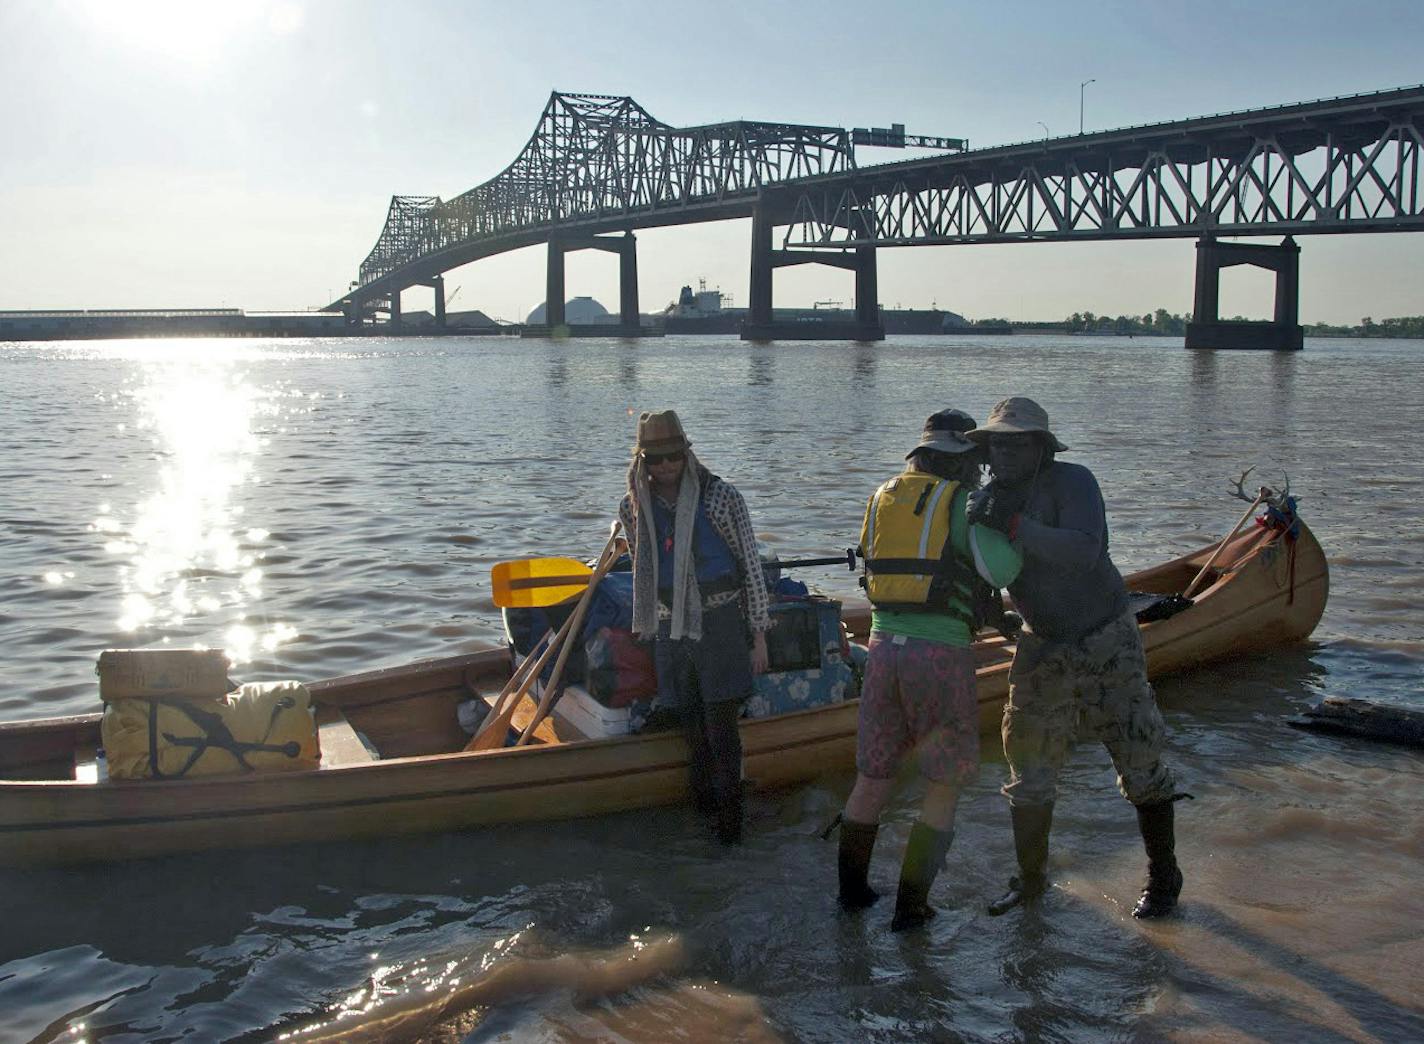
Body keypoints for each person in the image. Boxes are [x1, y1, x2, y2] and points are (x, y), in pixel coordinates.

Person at [966, 397, 1186, 919]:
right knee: (1028, 767)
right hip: (1041, 642)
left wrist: (1017, 527)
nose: (1007, 451)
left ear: (1042, 448)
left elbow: (1084, 550)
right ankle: (1031, 881)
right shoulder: (984, 501)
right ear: (987, 449)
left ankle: (1163, 875)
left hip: (1105, 635)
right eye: (999, 441)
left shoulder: (1074, 483)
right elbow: (984, 570)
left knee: (1138, 756)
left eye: (1020, 441)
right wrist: (986, 606)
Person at [837, 409, 1022, 931]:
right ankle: (910, 910)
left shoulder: (880, 497)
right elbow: (1002, 570)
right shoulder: (959, 502)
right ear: (965, 460)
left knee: (873, 776)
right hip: (937, 655)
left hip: (881, 650)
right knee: (943, 782)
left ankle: (852, 897)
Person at [617, 410, 770, 845]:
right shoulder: (632, 505)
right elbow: (640, 564)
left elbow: (751, 568)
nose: (665, 468)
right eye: (655, 461)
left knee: (722, 731)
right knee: (691, 730)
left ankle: (730, 828)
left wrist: (758, 635)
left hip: (719, 622)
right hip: (670, 626)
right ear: (642, 462)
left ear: (687, 454)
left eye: (672, 458)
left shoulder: (720, 497)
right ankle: (703, 816)